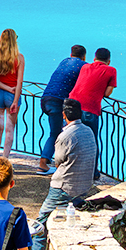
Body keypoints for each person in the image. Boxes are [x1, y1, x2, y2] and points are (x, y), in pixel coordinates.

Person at [29, 98, 98, 250]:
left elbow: (58, 160)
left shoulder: (66, 135)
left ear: (64, 115)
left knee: (39, 226)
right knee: (64, 220)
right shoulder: (88, 131)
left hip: (63, 187)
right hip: (83, 186)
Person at [38, 45, 86, 174]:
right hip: (58, 101)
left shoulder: (64, 61)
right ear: (84, 56)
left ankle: (54, 163)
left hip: (46, 98)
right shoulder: (83, 65)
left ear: (71, 55)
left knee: (59, 132)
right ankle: (46, 164)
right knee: (58, 134)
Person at [69, 48, 117, 175]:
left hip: (72, 105)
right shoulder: (111, 70)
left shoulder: (85, 67)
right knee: (91, 142)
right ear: (109, 61)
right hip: (89, 108)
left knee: (71, 138)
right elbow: (107, 93)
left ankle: (69, 168)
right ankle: (92, 172)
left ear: (94, 59)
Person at [0, 29, 25, 160]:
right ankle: (5, 159)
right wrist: (15, 100)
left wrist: (6, 88)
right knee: (10, 129)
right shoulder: (19, 58)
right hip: (12, 95)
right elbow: (19, 81)